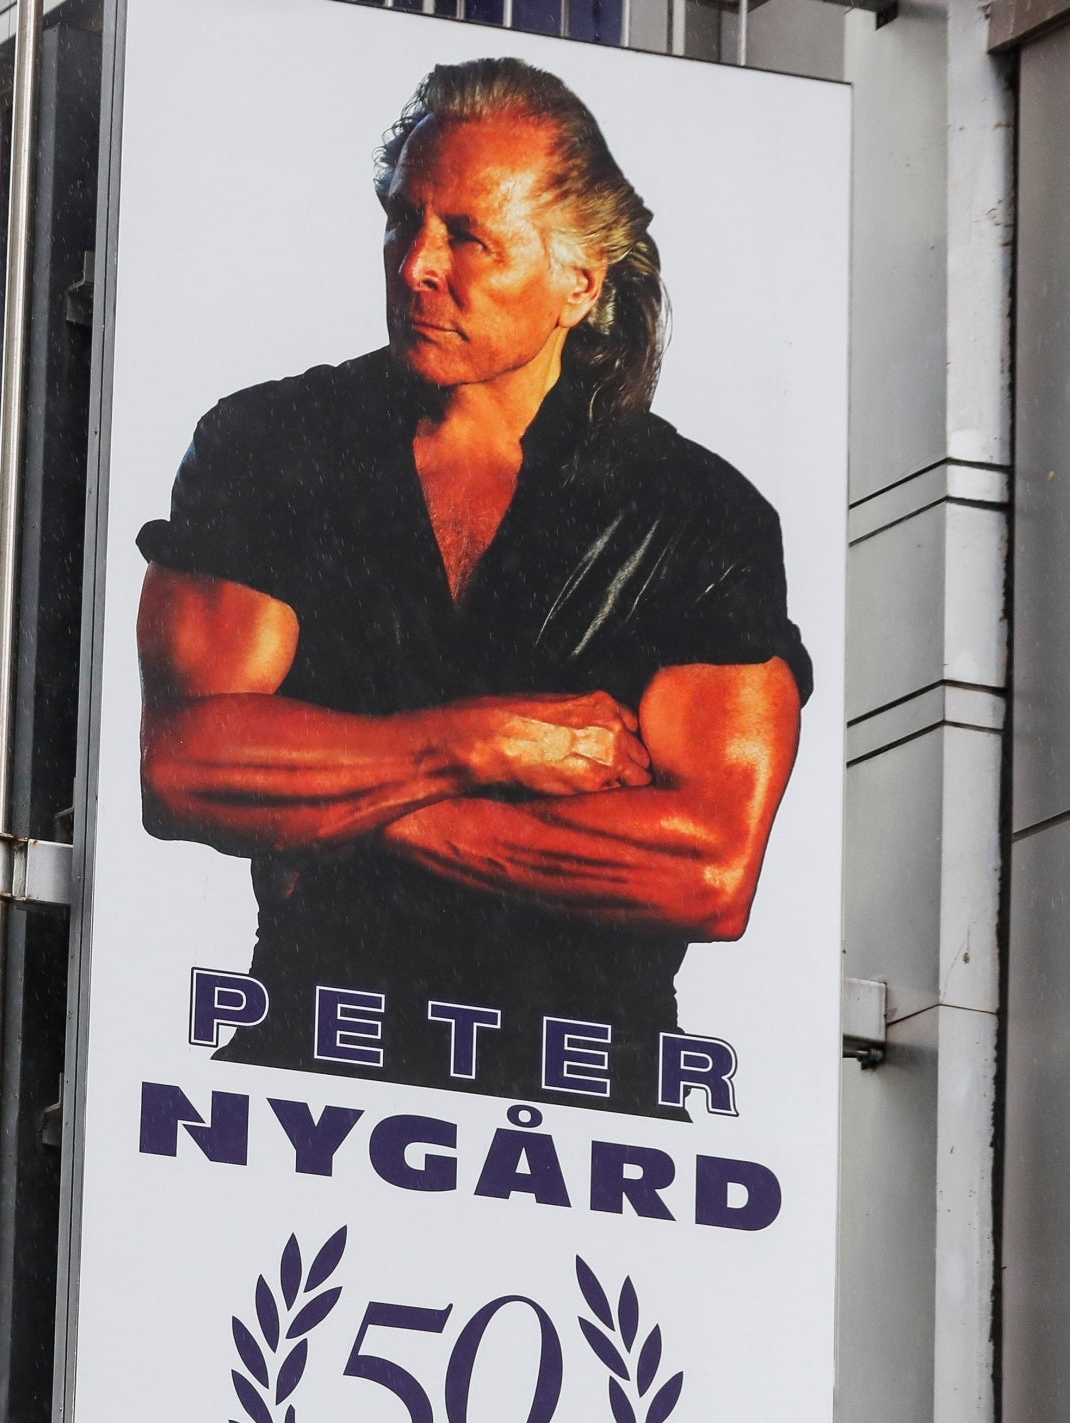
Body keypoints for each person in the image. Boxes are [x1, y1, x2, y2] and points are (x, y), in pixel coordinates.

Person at [136, 56, 808, 1111]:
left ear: (577, 282)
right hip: (300, 1093)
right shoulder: (271, 443)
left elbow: (708, 873)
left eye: (467, 238)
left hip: (593, 1129)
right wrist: (479, 744)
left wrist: (346, 802)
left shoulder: (696, 512)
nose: (416, 265)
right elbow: (182, 767)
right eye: (406, 223)